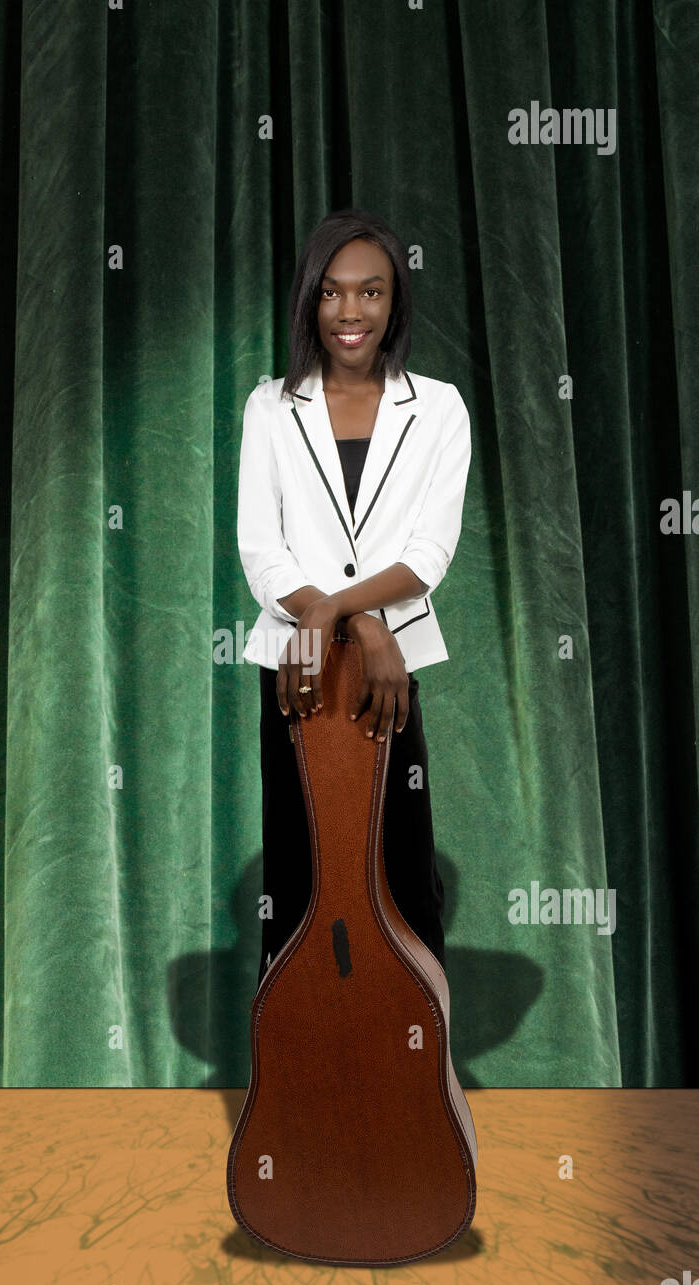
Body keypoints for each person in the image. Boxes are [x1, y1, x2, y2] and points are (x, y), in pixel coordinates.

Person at [236, 208, 472, 989]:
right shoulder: (268, 407)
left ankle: (417, 1082)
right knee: (298, 874)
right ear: (309, 302)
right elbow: (261, 550)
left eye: (370, 292)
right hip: (292, 665)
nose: (350, 311)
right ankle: (294, 1079)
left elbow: (428, 553)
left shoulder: (437, 408)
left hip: (387, 667)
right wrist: (338, 615)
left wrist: (354, 617)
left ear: (393, 302)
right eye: (332, 293)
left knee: (402, 872)